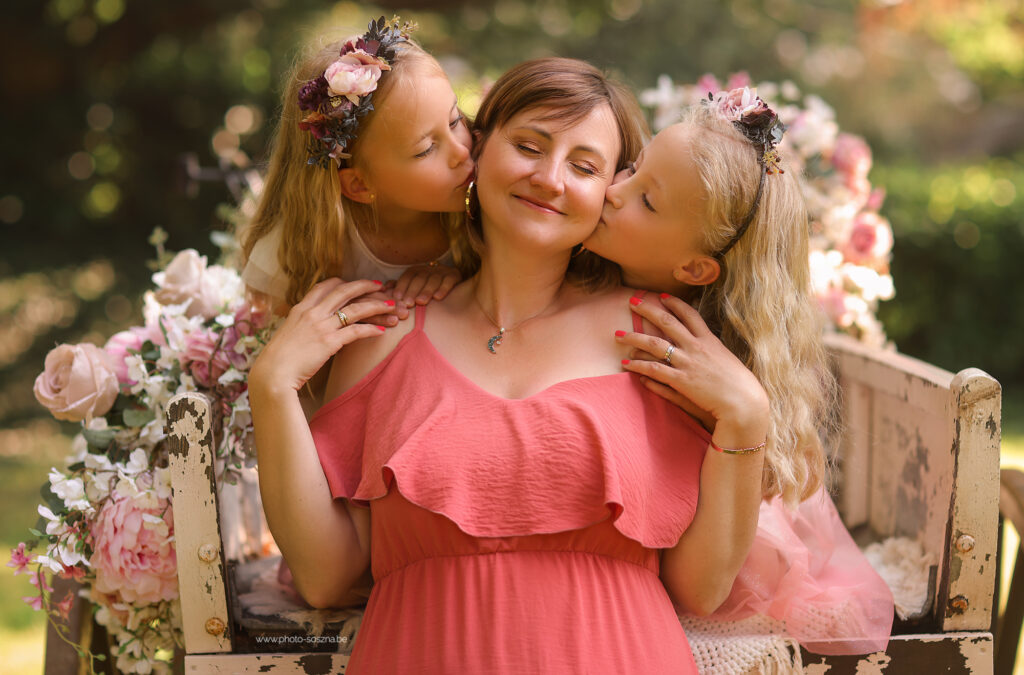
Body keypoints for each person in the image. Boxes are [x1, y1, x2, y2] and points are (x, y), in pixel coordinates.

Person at [250, 57, 771, 673]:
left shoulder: (653, 334)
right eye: (528, 145)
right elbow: (324, 576)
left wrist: (746, 418)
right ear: (478, 149)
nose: (549, 178)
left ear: (609, 191)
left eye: (584, 166)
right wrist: (273, 387)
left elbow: (699, 588)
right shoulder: (382, 331)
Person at [582, 90, 894, 654]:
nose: (612, 188)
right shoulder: (591, 276)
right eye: (632, 168)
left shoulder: (683, 355)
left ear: (695, 268)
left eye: (646, 201)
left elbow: (700, 580)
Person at [239, 16, 473, 323]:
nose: (462, 151)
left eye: (455, 121)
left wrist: (466, 286)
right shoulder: (304, 249)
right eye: (425, 149)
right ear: (360, 185)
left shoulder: (487, 210)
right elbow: (287, 351)